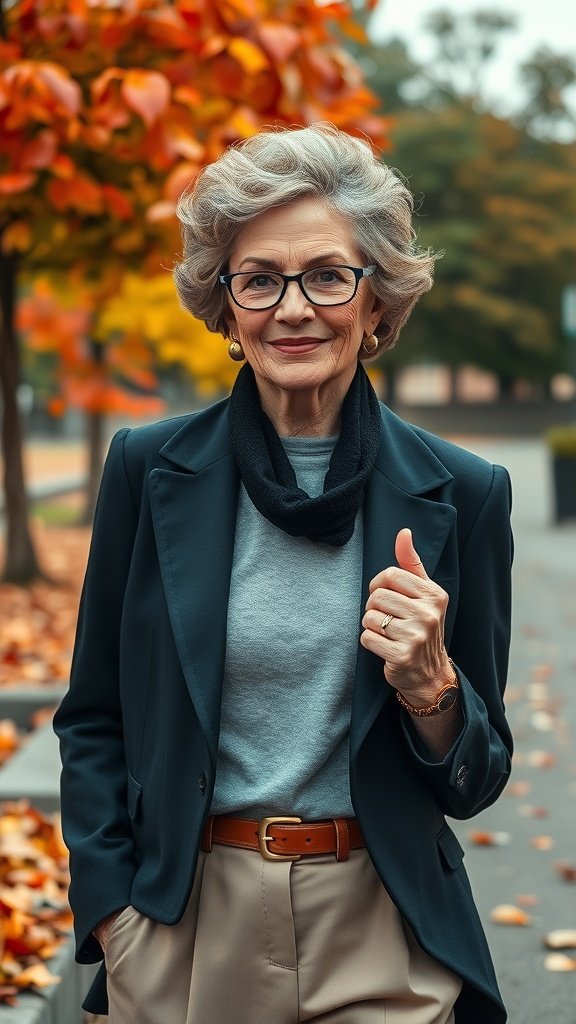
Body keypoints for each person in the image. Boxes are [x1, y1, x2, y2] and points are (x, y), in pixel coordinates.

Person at [54, 123, 513, 1024]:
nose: (293, 308)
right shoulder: (147, 472)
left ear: (376, 301)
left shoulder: (463, 492)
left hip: (383, 928)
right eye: (259, 279)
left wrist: (433, 689)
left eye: (328, 276)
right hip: (186, 926)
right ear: (225, 308)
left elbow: (477, 779)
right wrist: (112, 915)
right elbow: (94, 713)